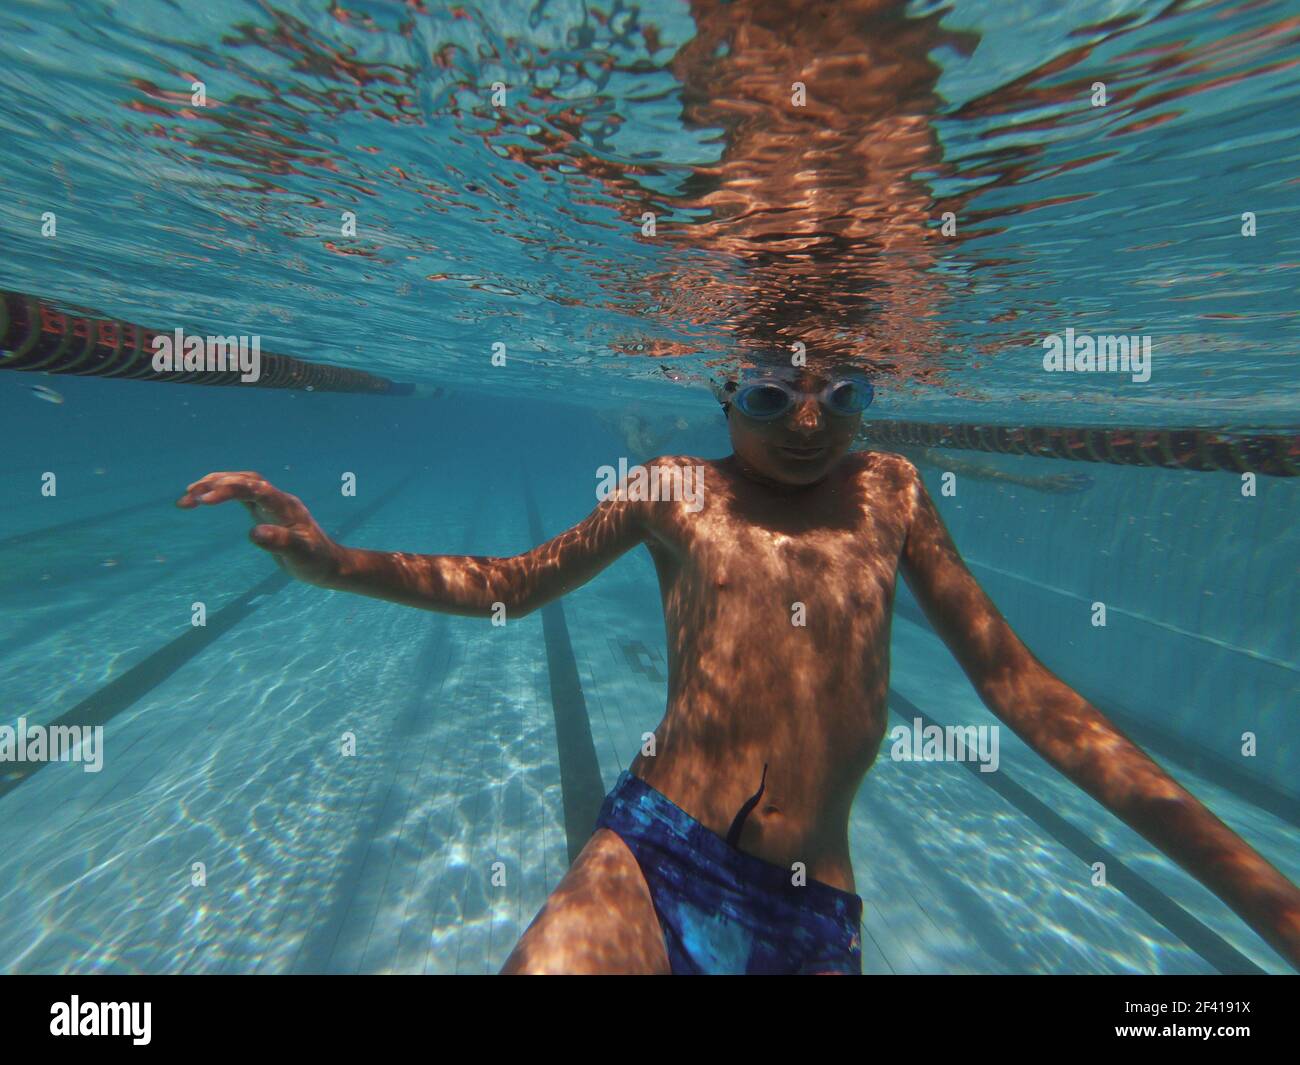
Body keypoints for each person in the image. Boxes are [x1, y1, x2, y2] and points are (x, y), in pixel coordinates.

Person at [177, 362, 1300, 974]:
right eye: (769, 395)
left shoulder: (892, 495)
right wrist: (336, 566)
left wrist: (1266, 894)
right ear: (721, 389)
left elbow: (1024, 691)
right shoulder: (674, 488)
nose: (808, 423)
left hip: (809, 913)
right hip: (654, 851)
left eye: (842, 394)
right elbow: (510, 584)